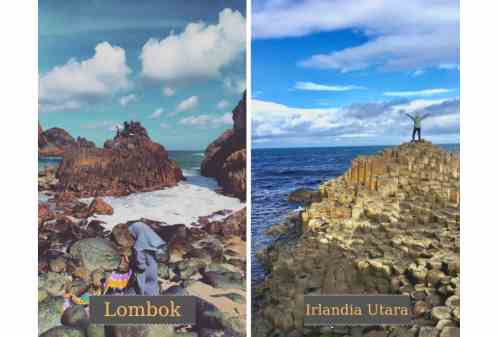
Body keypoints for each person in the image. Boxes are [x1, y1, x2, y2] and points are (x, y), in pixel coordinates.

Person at [128, 221, 167, 295]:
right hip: (152, 260)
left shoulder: (141, 236)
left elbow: (138, 249)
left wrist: (140, 265)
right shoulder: (152, 235)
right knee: (152, 280)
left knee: (144, 281)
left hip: (145, 265)